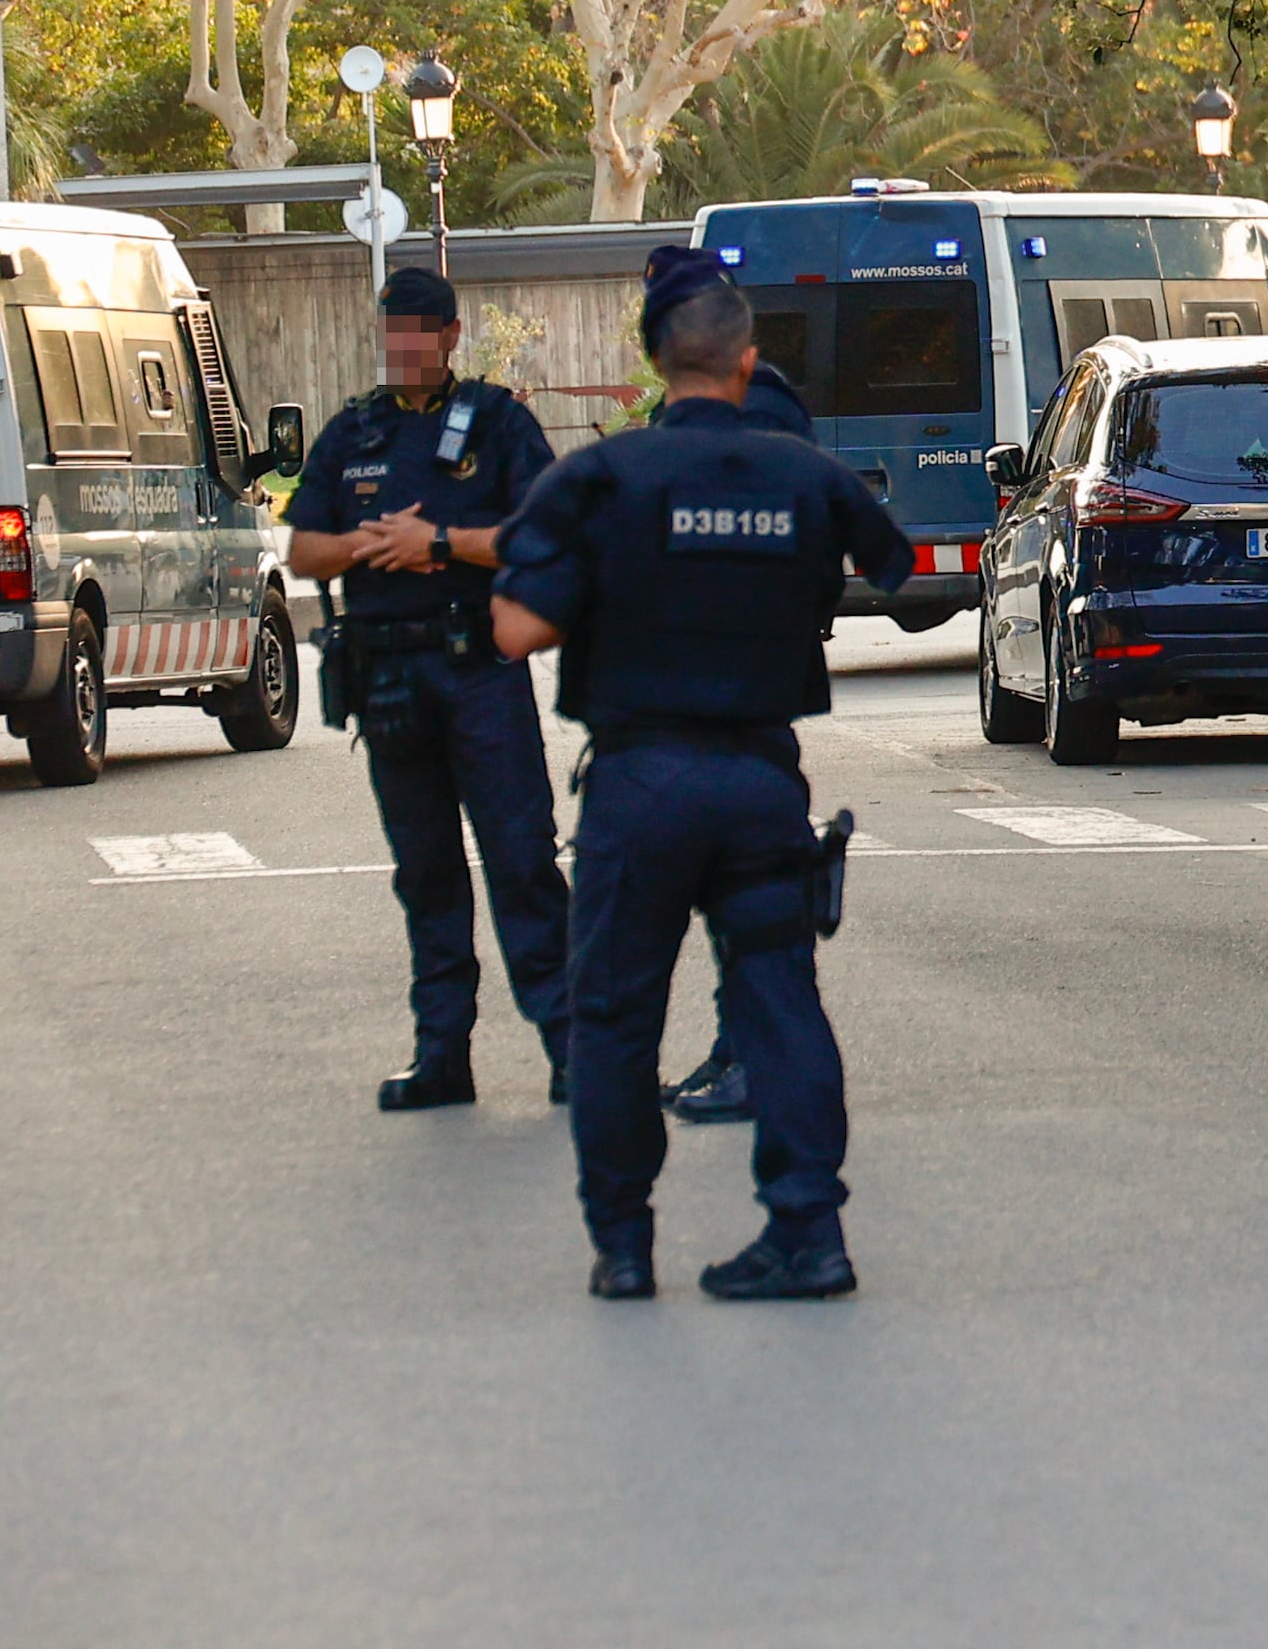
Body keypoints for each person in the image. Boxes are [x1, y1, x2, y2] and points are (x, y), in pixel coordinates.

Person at [490, 247, 917, 1300]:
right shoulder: (806, 474)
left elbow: (515, 629)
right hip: (763, 781)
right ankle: (809, 1234)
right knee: (779, 1004)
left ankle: (624, 1247)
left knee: (616, 1014)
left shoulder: (598, 477)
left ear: (653, 361)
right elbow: (900, 575)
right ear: (749, 362)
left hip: (639, 783)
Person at [285, 266, 570, 1112]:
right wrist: (368, 548)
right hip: (388, 676)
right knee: (426, 872)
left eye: (418, 333)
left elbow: (547, 531)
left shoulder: (498, 421)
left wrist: (439, 542)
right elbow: (303, 546)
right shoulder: (355, 430)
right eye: (391, 333)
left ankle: (571, 1047)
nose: (403, 348)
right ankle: (441, 1055)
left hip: (477, 668)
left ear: (449, 335)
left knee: (520, 859)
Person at [659, 348, 826, 1131]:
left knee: (754, 891)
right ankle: (738, 1050)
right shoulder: (711, 407)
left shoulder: (756, 410)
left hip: (741, 683)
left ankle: (757, 1059)